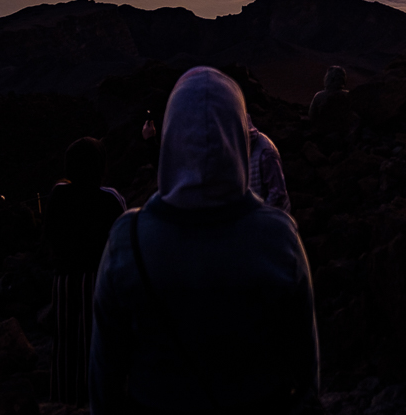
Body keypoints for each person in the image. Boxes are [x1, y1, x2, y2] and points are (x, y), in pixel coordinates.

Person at [91, 67, 318, 414]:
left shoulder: (128, 239)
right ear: (238, 136)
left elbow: (105, 374)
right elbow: (305, 372)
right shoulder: (278, 238)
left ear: (172, 137)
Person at [43, 138, 127, 407]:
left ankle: (64, 398)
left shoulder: (58, 194)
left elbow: (49, 234)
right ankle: (96, 400)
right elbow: (120, 245)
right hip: (96, 281)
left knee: (65, 345)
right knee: (96, 344)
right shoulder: (110, 199)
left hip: (64, 281)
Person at [248, 117, 291, 214]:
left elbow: (277, 194)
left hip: (274, 220)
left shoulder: (266, 153)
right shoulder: (238, 148)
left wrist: (259, 217)